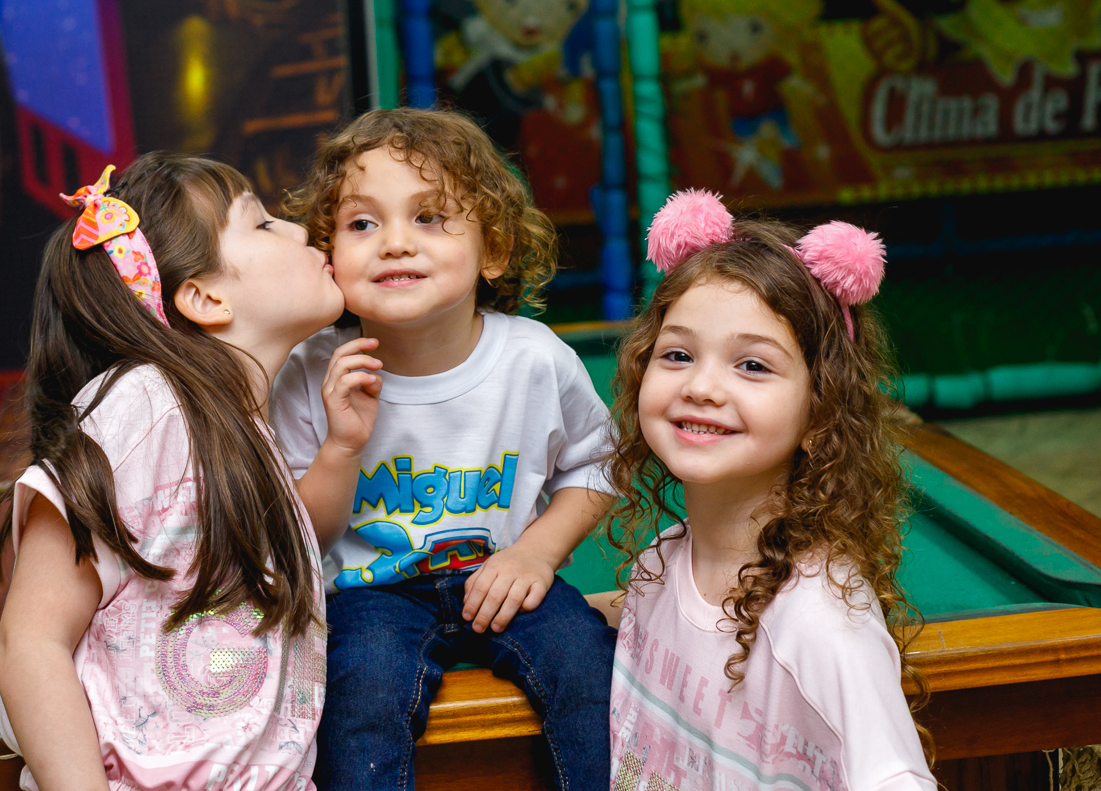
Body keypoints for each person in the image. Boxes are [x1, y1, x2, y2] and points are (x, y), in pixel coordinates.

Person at [0, 153, 381, 791]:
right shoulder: (147, 406)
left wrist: (340, 449)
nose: (303, 231)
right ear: (205, 297)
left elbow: (252, 562)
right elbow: (30, 641)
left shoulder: (236, 422)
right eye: (262, 223)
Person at [274, 107, 616, 791]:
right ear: (328, 254)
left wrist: (536, 551)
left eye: (430, 217)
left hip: (505, 575)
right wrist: (343, 447)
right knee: (361, 691)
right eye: (363, 223)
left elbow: (598, 465)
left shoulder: (533, 360)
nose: (395, 242)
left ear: (492, 249)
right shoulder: (311, 370)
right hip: (371, 595)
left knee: (585, 656)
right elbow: (294, 533)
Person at [604, 190, 936, 790]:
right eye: (677, 354)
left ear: (821, 413)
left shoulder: (818, 625)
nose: (702, 386)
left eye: (753, 365)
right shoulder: (659, 563)